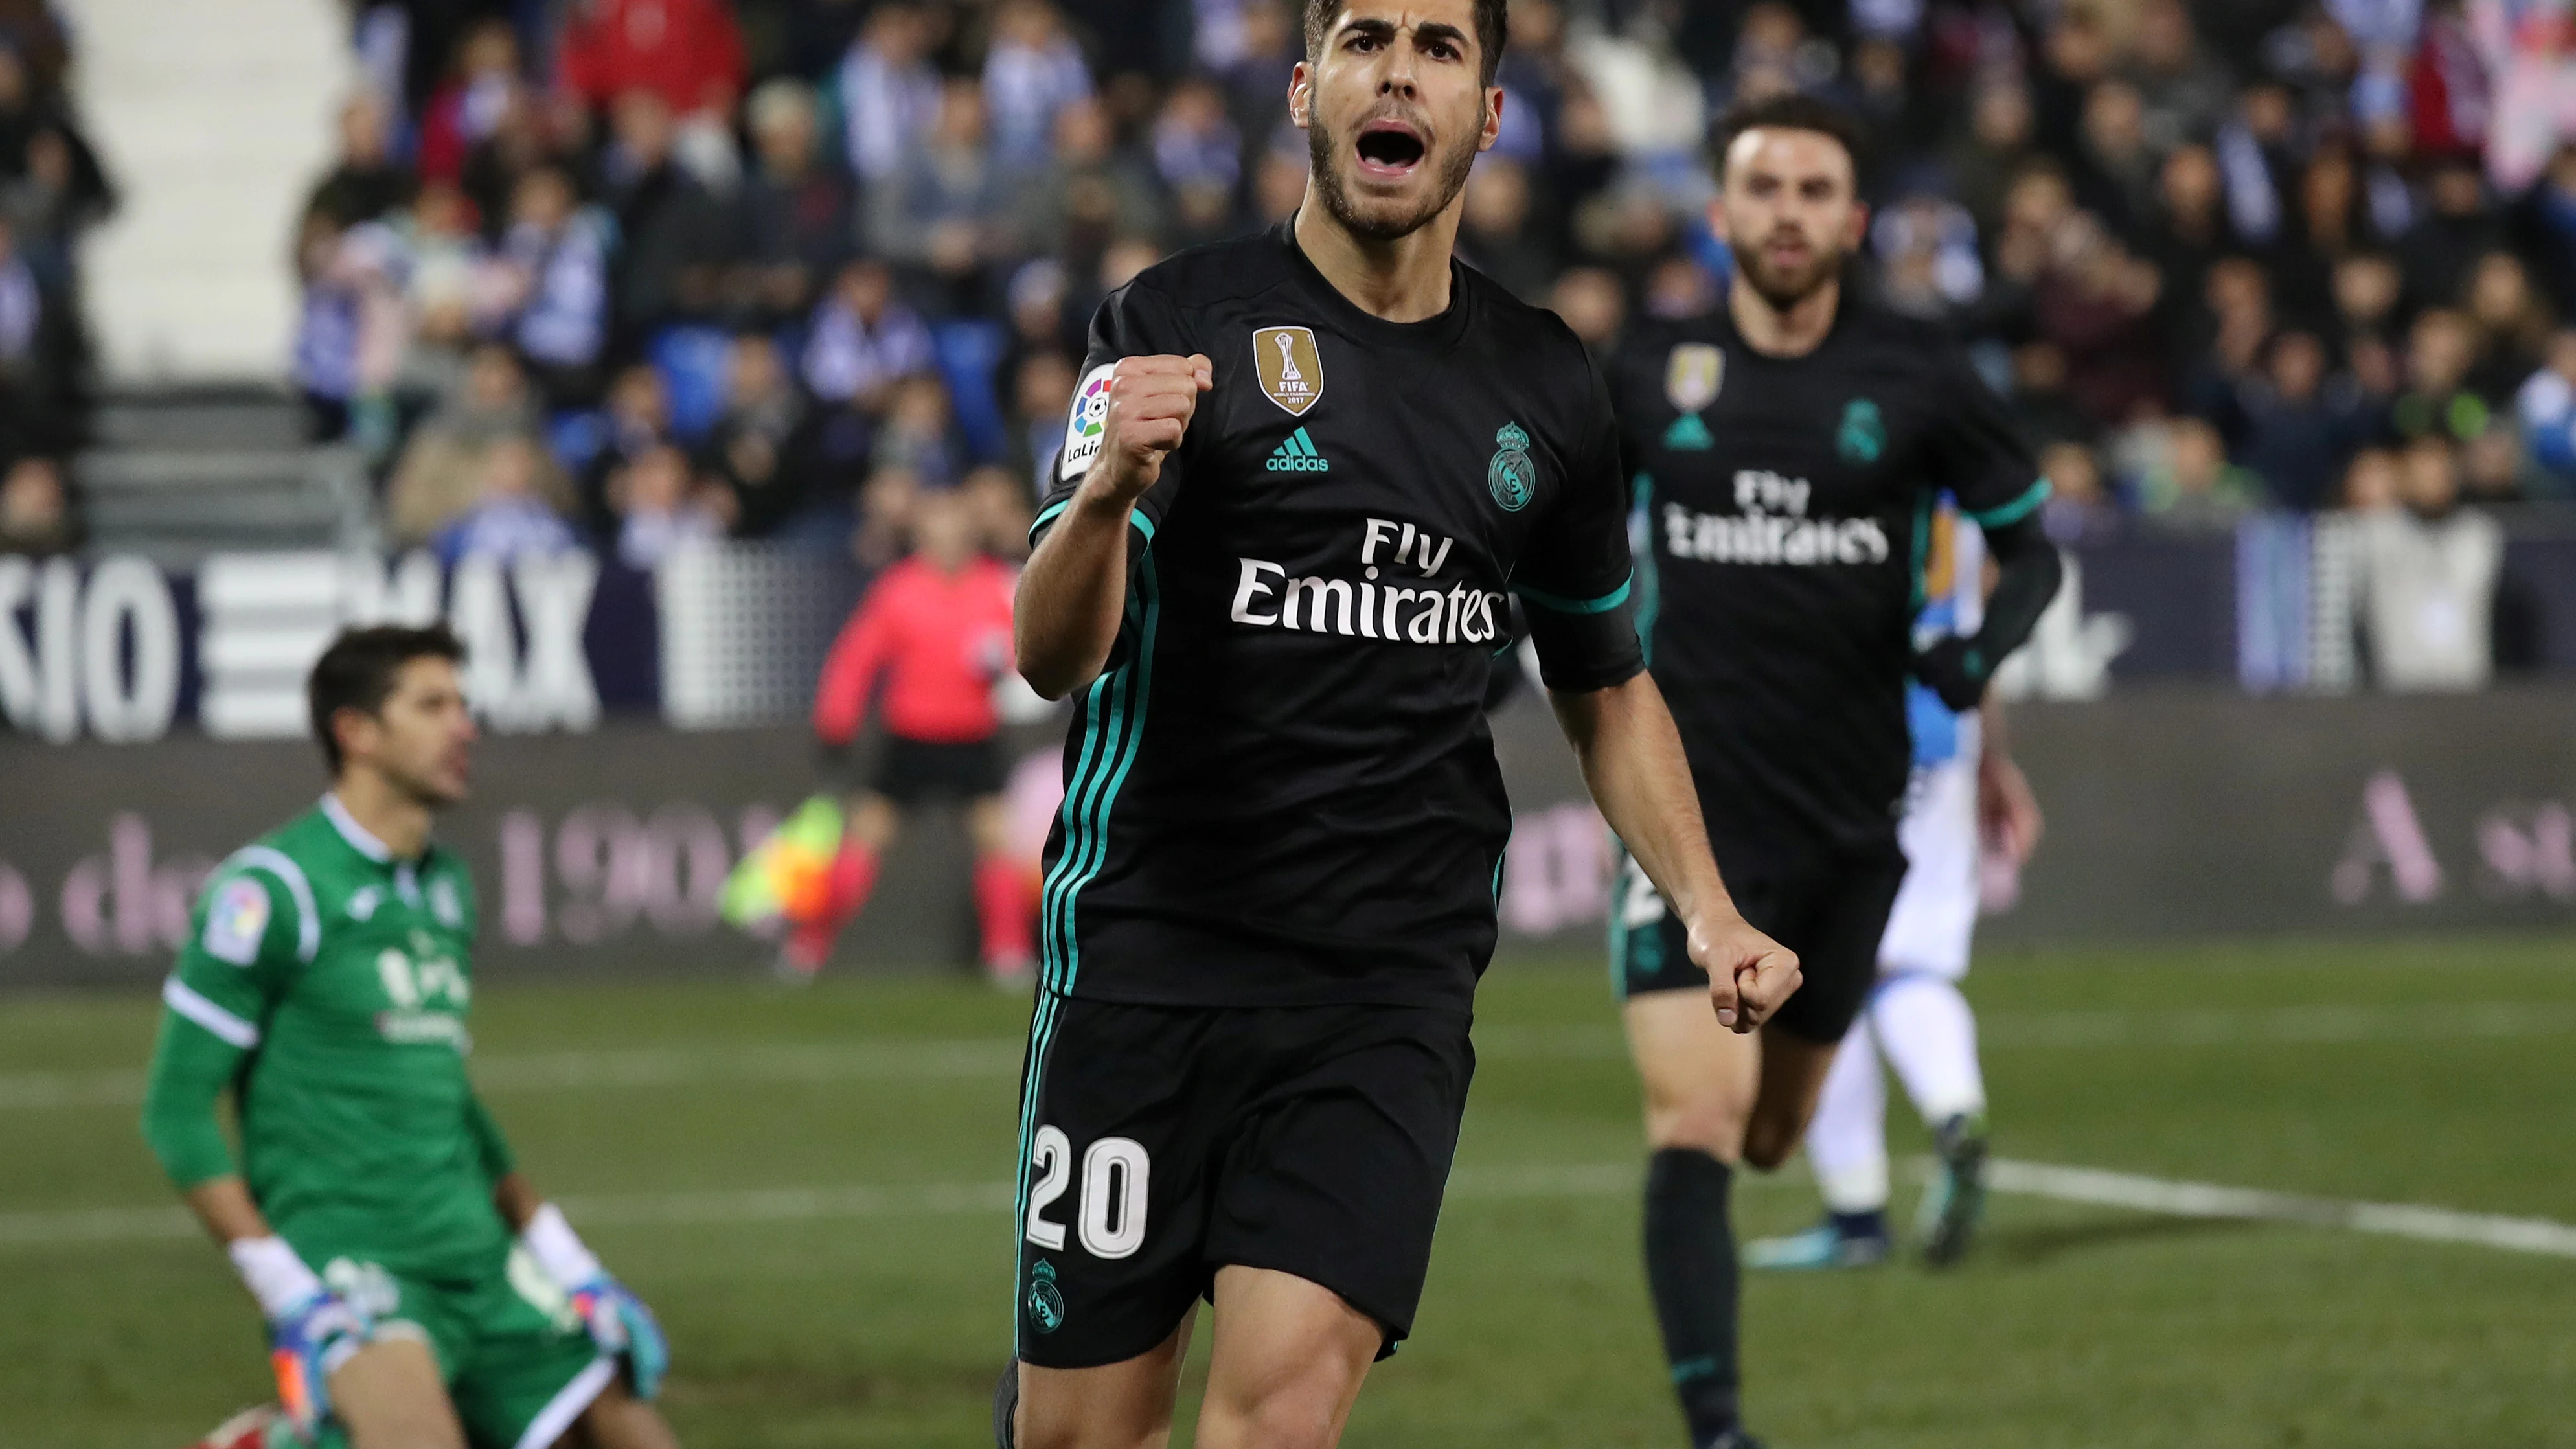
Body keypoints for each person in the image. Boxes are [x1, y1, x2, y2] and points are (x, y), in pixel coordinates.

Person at [996, 3, 1799, 1446]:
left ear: (1488, 117)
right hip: (1146, 953)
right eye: (1365, 37)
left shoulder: (1544, 383)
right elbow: (1051, 652)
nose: (1398, 70)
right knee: (1076, 1433)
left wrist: (1706, 904)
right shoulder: (1170, 322)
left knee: (1282, 1408)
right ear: (1307, 92)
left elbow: (1603, 678)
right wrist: (1107, 488)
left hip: (1385, 986)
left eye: (1440, 46)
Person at [1603, 94, 2062, 1449]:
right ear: (1720, 213)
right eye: (1762, 186)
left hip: (1849, 825)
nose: (1787, 211)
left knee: (1768, 1133)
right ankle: (1717, 1425)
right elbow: (1547, 522)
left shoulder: (1916, 373)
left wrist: (1980, 650)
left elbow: (2028, 542)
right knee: (1693, 1112)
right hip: (1687, 817)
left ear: (1851, 220)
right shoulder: (1650, 368)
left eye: (1813, 189)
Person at [139, 626, 679, 1449]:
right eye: (432, 705)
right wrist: (287, 1291)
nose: (464, 725)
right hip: (353, 1263)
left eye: (463, 704)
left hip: (479, 1258)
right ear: (356, 731)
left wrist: (570, 1262)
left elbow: (452, 1097)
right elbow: (175, 1112)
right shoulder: (275, 891)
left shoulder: (447, 888)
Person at [1744, 502, 2044, 1271]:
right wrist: (1990, 758)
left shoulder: (1840, 448)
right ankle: (1954, 1110)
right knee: (1910, 959)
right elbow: (1980, 622)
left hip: (1836, 733)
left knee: (1813, 965)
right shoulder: (1963, 481)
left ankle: (1854, 1213)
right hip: (1942, 732)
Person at [789, 488, 1031, 981]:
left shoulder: (996, 585)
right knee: (862, 840)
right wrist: (837, 720)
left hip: (972, 737)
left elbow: (1031, 648)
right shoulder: (898, 589)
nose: (947, 540)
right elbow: (856, 658)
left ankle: (1007, 954)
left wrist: (1003, 657)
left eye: (956, 530)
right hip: (910, 736)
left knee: (997, 842)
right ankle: (806, 949)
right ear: (920, 537)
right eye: (937, 531)